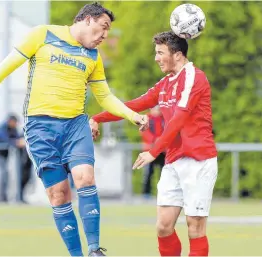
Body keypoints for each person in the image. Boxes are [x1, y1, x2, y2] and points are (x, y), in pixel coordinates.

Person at [0, 2, 147, 256]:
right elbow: (6, 66)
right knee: (59, 194)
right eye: (103, 28)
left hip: (76, 125)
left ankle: (94, 250)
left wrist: (133, 116)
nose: (104, 36)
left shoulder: (92, 56)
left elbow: (105, 96)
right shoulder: (43, 34)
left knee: (85, 178)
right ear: (87, 19)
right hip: (40, 128)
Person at [90, 31, 218, 256]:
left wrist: (153, 150)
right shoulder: (165, 83)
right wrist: (96, 118)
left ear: (177, 55)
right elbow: (134, 104)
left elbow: (179, 119)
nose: (156, 58)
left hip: (198, 160)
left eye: (160, 53)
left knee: (194, 227)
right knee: (163, 226)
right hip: (174, 161)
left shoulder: (194, 77)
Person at [140, 105, 165, 198]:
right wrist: (155, 140)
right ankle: (146, 194)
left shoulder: (164, 118)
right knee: (148, 173)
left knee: (163, 173)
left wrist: (161, 141)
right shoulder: (146, 119)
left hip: (162, 151)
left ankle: (163, 193)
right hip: (149, 151)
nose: (157, 111)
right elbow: (144, 132)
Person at [0, 114, 20, 202]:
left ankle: (4, 197)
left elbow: (17, 137)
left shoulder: (13, 129)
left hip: (6, 156)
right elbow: (5, 140)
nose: (15, 125)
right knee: (0, 176)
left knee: (6, 176)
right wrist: (16, 142)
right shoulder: (1, 128)